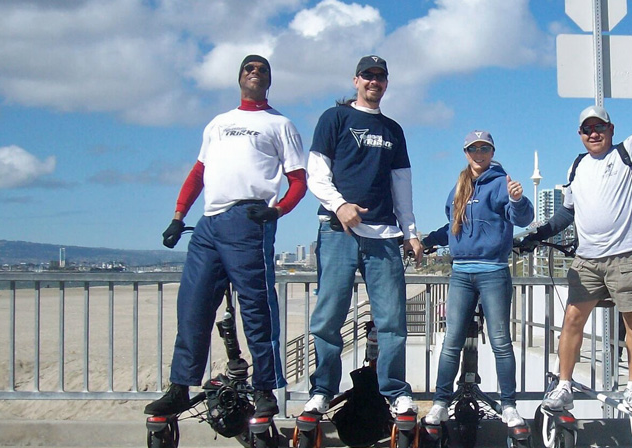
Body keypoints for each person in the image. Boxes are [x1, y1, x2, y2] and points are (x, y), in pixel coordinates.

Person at [145, 55, 307, 418]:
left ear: (269, 80)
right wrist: (177, 217)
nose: (255, 72)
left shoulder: (279, 124)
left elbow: (299, 180)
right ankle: (179, 387)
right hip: (209, 222)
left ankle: (265, 388)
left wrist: (277, 210)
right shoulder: (218, 123)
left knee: (256, 307)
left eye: (263, 69)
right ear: (239, 78)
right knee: (193, 305)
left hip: (248, 219)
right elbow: (198, 172)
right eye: (249, 68)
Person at [522, 61, 632, 412]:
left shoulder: (630, 153)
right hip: (587, 260)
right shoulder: (576, 166)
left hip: (629, 255)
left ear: (611, 128)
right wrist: (537, 234)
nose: (593, 133)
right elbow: (567, 213)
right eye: (586, 129)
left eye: (598, 127)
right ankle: (564, 385)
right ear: (580, 134)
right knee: (572, 320)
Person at [303, 55, 423, 416]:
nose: (374, 82)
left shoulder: (393, 130)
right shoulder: (334, 118)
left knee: (391, 322)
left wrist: (411, 233)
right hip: (338, 231)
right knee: (328, 318)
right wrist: (340, 206)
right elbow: (316, 172)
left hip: (384, 236)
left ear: (386, 83)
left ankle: (395, 390)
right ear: (356, 80)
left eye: (380, 77)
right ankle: (322, 389)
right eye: (368, 76)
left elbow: (402, 185)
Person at [420, 130, 534, 427]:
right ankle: (441, 402)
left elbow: (521, 218)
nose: (479, 153)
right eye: (473, 149)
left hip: (493, 271)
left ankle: (508, 405)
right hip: (460, 273)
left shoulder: (501, 183)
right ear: (466, 152)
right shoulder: (459, 186)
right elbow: (452, 226)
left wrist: (518, 200)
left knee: (500, 341)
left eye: (485, 148)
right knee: (451, 341)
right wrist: (428, 240)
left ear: (492, 152)